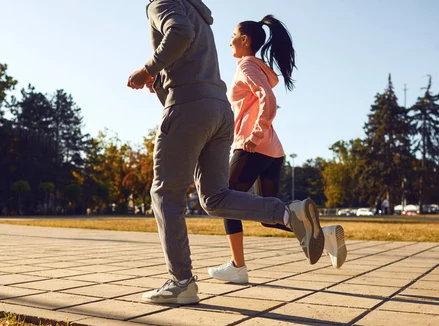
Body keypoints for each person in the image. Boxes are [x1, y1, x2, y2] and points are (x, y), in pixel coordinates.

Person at [128, 0, 325, 305]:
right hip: (219, 111)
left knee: (165, 194)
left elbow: (178, 33)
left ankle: (181, 281)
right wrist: (160, 85)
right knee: (215, 198)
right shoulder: (196, 11)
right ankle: (287, 214)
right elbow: (186, 51)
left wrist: (146, 69)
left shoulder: (162, 2)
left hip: (190, 107)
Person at [206, 16, 347, 284]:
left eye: (233, 36)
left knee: (223, 200)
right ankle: (326, 235)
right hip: (271, 150)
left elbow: (267, 98)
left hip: (253, 146)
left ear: (244, 40)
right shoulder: (256, 67)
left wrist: (254, 134)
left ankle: (238, 266)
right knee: (268, 217)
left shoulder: (246, 66)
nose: (230, 42)